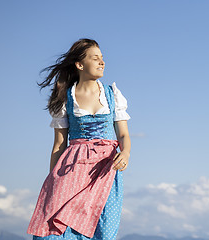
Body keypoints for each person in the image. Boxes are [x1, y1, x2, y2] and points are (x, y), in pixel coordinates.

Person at [27, 38, 131, 240]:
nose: (102, 62)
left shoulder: (112, 94)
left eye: (102, 58)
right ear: (79, 64)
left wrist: (125, 152)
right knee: (57, 228)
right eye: (95, 58)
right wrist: (52, 183)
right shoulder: (65, 98)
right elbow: (59, 145)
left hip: (105, 169)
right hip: (71, 170)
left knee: (103, 228)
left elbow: (124, 134)